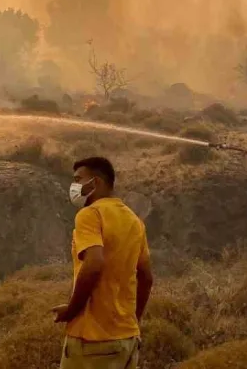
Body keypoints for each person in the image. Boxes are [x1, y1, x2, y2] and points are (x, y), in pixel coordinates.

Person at [52, 157, 154, 369]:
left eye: (78, 179)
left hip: (91, 342)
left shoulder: (90, 214)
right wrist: (132, 322)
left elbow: (94, 264)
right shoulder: (134, 221)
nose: (74, 186)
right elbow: (146, 277)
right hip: (127, 340)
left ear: (96, 183)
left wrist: (71, 311)